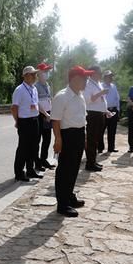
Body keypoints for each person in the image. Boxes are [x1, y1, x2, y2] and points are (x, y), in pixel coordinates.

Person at [51, 66, 93, 217]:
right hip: (67, 135)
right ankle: (62, 204)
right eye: (84, 78)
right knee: (64, 170)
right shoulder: (61, 96)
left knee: (74, 168)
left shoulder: (80, 95)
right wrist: (58, 139)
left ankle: (69, 196)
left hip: (79, 134)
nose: (86, 81)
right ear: (75, 79)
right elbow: (55, 120)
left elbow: (82, 118)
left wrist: (85, 136)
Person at [12, 66, 42, 181]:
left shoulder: (33, 89)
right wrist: (17, 121)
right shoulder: (19, 90)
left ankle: (30, 170)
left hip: (35, 120)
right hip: (24, 121)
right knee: (23, 148)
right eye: (32, 74)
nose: (35, 76)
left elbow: (36, 104)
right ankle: (19, 173)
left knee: (33, 147)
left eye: (35, 74)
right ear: (25, 76)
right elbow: (14, 107)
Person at [83, 65, 111, 171]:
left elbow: (101, 101)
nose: (100, 74)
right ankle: (89, 163)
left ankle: (93, 161)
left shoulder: (98, 83)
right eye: (99, 72)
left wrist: (106, 111)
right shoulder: (88, 84)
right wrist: (101, 93)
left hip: (100, 114)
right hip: (92, 114)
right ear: (93, 73)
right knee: (91, 139)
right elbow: (88, 100)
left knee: (96, 139)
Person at [35, 63, 55, 170]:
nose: (47, 74)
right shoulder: (36, 86)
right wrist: (45, 114)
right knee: (38, 140)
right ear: (39, 73)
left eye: (47, 71)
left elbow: (49, 99)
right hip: (40, 115)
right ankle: (37, 163)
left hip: (48, 114)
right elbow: (36, 102)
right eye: (45, 72)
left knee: (47, 139)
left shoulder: (47, 85)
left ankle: (44, 160)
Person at [101, 70, 120, 153]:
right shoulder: (100, 86)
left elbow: (117, 98)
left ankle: (111, 148)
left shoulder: (114, 86)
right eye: (109, 76)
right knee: (101, 130)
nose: (111, 78)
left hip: (113, 110)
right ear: (105, 77)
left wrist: (118, 110)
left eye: (111, 76)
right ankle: (100, 148)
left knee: (112, 130)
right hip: (104, 111)